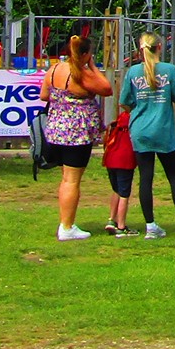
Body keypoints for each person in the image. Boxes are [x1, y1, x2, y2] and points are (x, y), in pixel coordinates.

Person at [121, 31, 175, 239]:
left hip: (140, 130)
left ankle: (151, 226)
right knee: (174, 175)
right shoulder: (169, 70)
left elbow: (125, 102)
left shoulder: (132, 73)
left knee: (145, 178)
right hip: (163, 129)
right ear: (159, 48)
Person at [41, 22, 112, 242]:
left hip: (56, 131)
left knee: (66, 179)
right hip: (77, 133)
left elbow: (44, 95)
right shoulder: (81, 74)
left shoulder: (53, 70)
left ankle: (66, 222)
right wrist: (92, 65)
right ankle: (67, 226)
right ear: (85, 54)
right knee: (72, 181)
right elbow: (106, 88)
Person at [101, 98, 136, 236]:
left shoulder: (120, 119)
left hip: (111, 158)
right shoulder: (133, 121)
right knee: (124, 194)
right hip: (125, 160)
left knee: (116, 189)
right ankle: (121, 227)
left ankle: (112, 219)